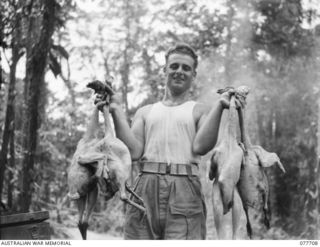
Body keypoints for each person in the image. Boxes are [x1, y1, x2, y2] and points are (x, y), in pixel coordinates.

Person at [96, 43, 232, 239]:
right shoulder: (145, 111)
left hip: (184, 190)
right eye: (174, 66)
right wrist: (115, 109)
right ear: (165, 70)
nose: (179, 71)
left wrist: (220, 106)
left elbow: (201, 146)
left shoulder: (200, 110)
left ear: (193, 74)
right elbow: (133, 152)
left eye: (186, 68)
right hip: (145, 186)